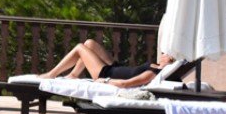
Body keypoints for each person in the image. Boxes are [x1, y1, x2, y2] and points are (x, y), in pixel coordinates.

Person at [38, 39, 176, 88]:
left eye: (165, 54)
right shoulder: (154, 66)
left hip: (106, 73)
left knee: (80, 47)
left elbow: (125, 84)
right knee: (90, 43)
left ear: (169, 61)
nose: (162, 54)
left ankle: (52, 74)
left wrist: (105, 80)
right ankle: (73, 74)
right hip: (116, 67)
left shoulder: (152, 73)